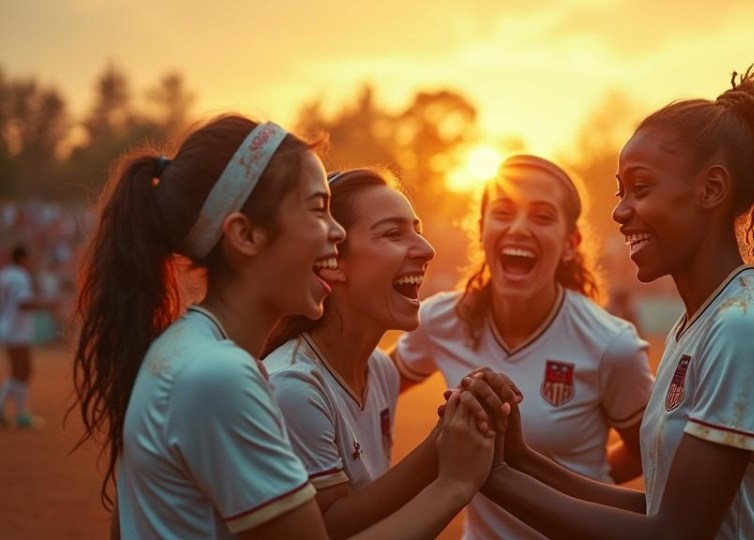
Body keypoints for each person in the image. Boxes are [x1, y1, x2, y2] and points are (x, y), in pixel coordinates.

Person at [466, 67, 754, 539]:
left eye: (641, 188)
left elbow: (674, 533)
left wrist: (489, 479)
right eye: (621, 193)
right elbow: (656, 511)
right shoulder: (699, 324)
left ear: (711, 189)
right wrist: (518, 460)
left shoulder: (746, 327)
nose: (619, 211)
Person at [71, 116, 494, 539]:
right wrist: (453, 484)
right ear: (246, 235)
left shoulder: (192, 351)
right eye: (317, 209)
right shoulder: (219, 376)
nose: (336, 233)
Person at [391, 154, 655, 539]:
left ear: (570, 244)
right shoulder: (440, 320)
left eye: (542, 216)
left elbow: (649, 452)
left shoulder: (611, 345)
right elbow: (372, 383)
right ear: (481, 231)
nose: (518, 228)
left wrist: (574, 483)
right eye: (503, 212)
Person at [263, 168, 501, 539]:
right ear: (332, 261)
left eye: (418, 231)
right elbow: (331, 529)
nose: (427, 250)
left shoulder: (381, 371)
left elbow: (364, 514)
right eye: (393, 233)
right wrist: (443, 455)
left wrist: (462, 417)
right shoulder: (293, 387)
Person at [0, 245, 57, 428]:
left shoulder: (6, 275)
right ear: (23, 258)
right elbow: (23, 304)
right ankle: (20, 414)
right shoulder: (20, 276)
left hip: (8, 327)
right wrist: (47, 305)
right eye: (29, 257)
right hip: (16, 330)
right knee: (23, 371)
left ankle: (18, 413)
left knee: (21, 372)